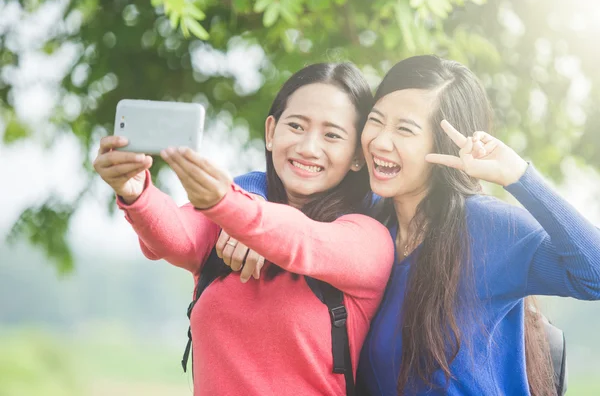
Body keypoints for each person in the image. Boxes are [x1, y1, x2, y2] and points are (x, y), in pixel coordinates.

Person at [236, 55, 600, 395]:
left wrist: (519, 176)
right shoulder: (367, 221)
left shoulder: (489, 229)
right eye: (375, 121)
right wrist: (254, 211)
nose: (380, 141)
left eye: (405, 129)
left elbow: (593, 272)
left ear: (443, 144)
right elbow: (284, 182)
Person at [93, 62, 395, 396]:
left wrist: (233, 207)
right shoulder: (228, 218)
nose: (308, 147)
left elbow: (302, 240)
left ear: (356, 156)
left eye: (332, 135)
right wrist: (135, 192)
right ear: (271, 132)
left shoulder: (368, 239)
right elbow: (174, 236)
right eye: (296, 126)